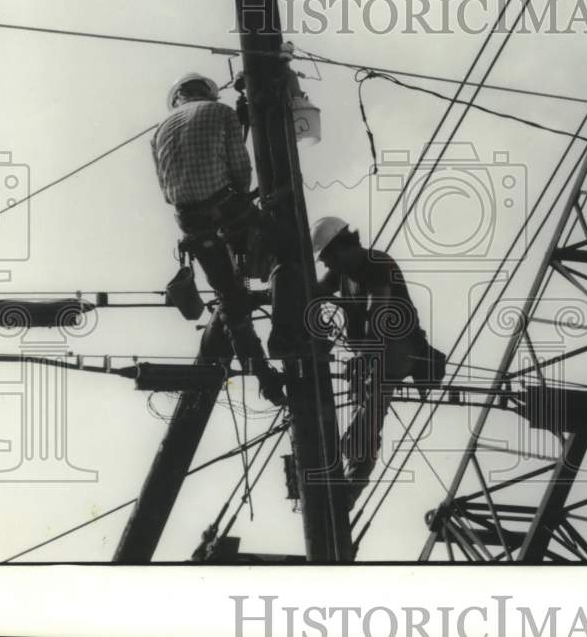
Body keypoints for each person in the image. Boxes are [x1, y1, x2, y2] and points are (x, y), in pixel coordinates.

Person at [152, 72, 284, 406]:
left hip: (189, 219)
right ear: (208, 93)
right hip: (223, 204)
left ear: (178, 98)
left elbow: (166, 192)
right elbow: (241, 170)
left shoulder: (158, 132)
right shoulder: (221, 112)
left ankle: (264, 378)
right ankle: (287, 326)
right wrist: (242, 203)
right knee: (284, 244)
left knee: (231, 301)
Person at [311, 216, 446, 507]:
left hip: (399, 349)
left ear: (341, 249)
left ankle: (355, 448)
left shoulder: (375, 263)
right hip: (372, 352)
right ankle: (351, 483)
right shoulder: (342, 270)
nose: (326, 266)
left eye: (327, 258)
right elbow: (316, 291)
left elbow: (378, 317)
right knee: (367, 402)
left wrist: (364, 358)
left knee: (374, 389)